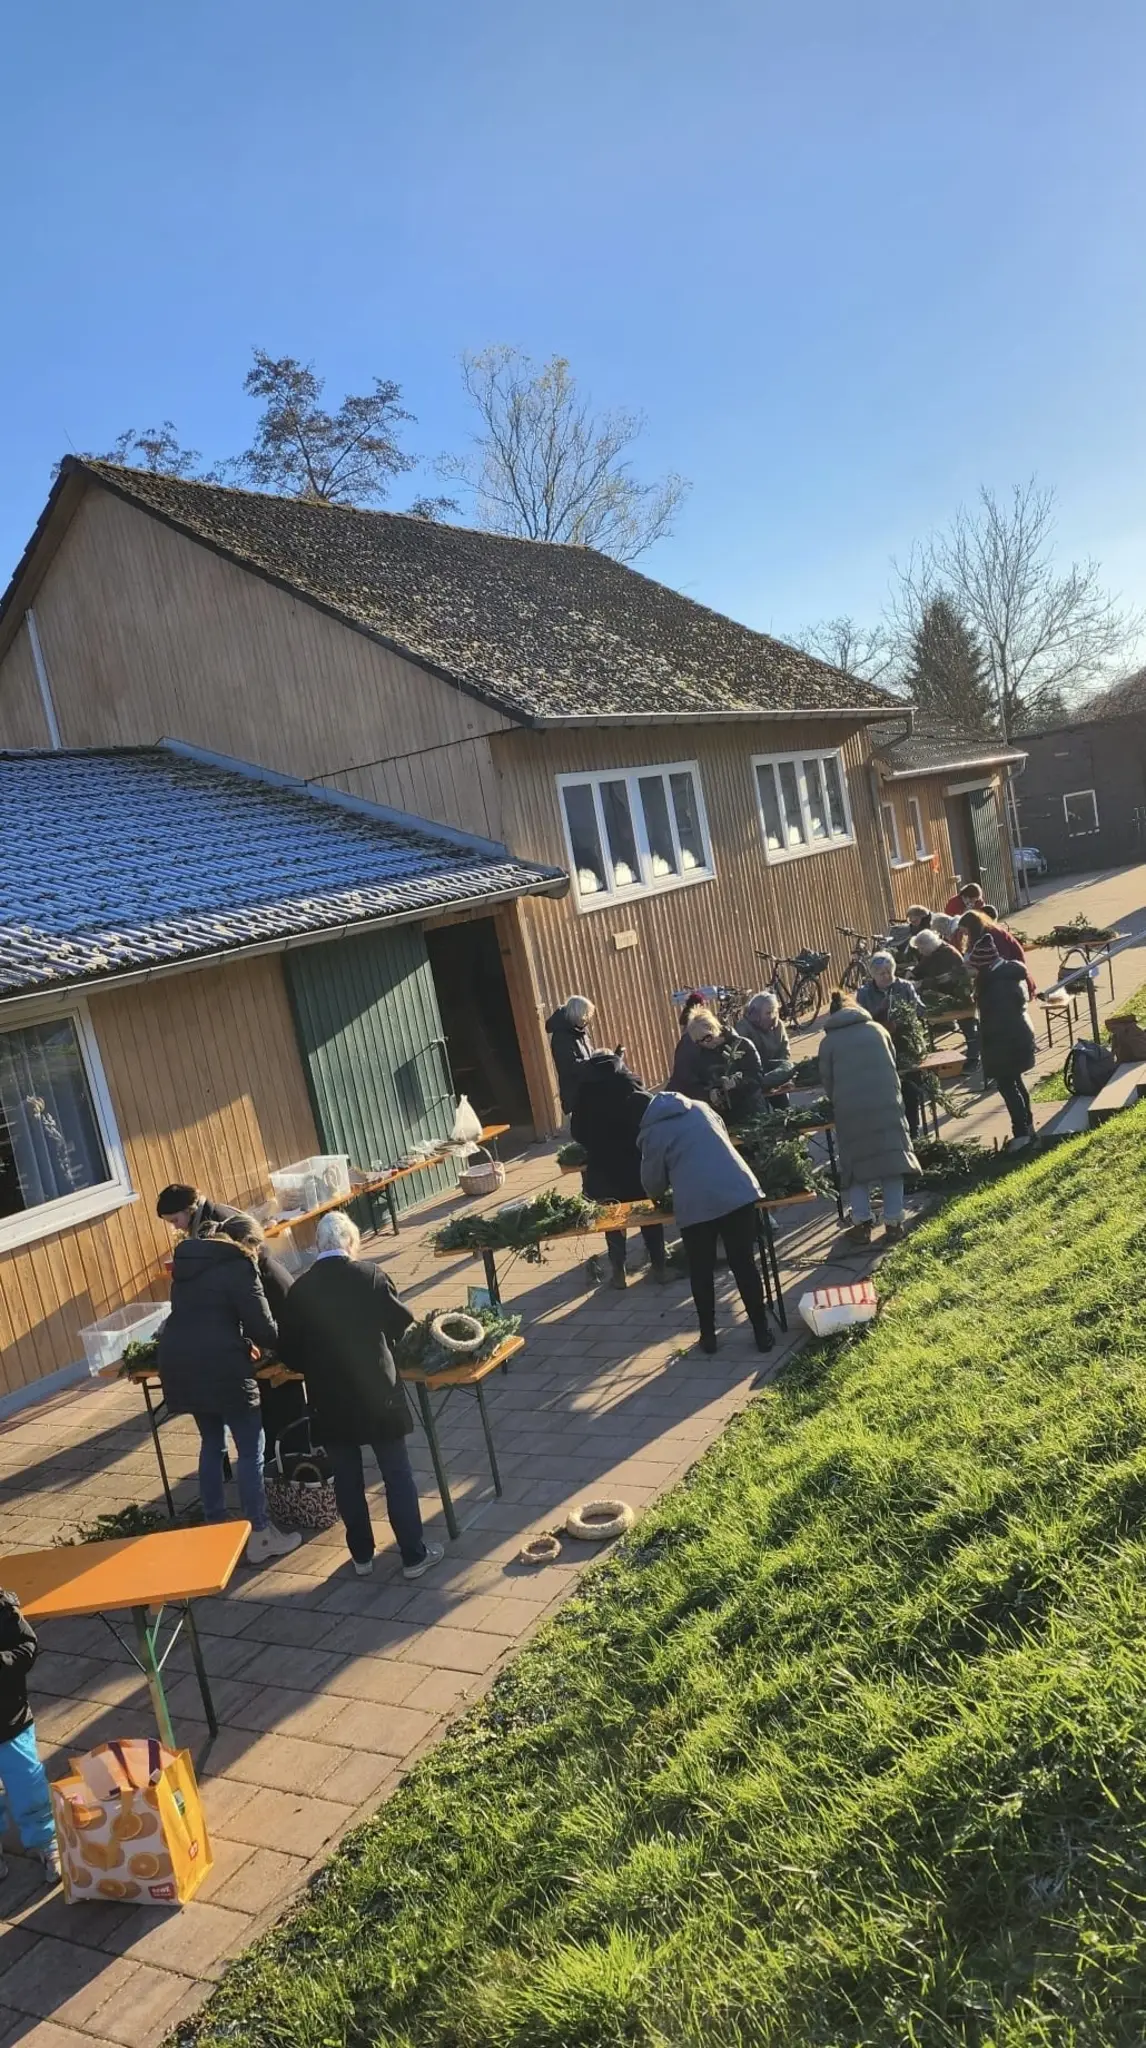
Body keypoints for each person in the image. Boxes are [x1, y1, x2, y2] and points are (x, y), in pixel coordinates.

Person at [276, 1211, 444, 1581]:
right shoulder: (370, 1276)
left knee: (348, 1480)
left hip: (329, 1397)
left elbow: (288, 1351)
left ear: (318, 1246)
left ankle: (362, 1556)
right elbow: (401, 1322)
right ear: (350, 1242)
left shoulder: (300, 1290)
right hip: (377, 1393)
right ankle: (414, 1556)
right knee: (396, 1475)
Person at [157, 1224, 301, 1566]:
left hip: (181, 1361)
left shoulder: (190, 1264)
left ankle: (214, 1527)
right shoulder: (240, 1266)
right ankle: (260, 1533)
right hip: (222, 1365)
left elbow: (203, 1317)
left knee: (212, 1443)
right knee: (251, 1449)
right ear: (248, 1244)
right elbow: (264, 1329)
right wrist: (293, 1335)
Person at [638, 1092, 772, 1355]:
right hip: (738, 1189)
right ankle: (761, 1332)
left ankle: (708, 1337)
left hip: (696, 1203)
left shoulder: (653, 1131)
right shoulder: (700, 1108)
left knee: (701, 1270)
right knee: (743, 1264)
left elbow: (652, 1185)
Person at [817, 991, 920, 1246]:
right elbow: (892, 1064)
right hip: (886, 1104)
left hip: (851, 1111)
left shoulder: (829, 1043)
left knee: (856, 1168)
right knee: (892, 1162)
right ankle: (894, 1223)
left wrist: (839, 1100)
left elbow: (827, 1082)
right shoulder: (877, 1030)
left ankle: (862, 1223)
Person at [569, 1052, 669, 1287]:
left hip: (603, 1166)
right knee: (648, 1214)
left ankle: (618, 1272)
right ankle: (660, 1268)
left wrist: (594, 1143)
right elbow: (649, 1111)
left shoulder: (585, 1089)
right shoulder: (629, 1081)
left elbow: (577, 1130)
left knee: (612, 1219)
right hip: (635, 1161)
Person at [220, 1214, 307, 1462]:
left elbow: (269, 1328)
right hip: (274, 1357)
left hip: (280, 1362)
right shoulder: (257, 1269)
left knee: (285, 1430)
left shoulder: (264, 1276)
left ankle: (288, 1477)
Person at [0, 1589, 60, 1883]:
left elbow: (27, 1646)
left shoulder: (1, 1606)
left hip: (10, 1720)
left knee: (29, 1782)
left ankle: (45, 1840)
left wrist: (2, 1661)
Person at [968, 931, 1037, 1149]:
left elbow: (996, 1021)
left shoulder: (996, 985)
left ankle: (1022, 1132)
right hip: (1016, 1038)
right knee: (1015, 1082)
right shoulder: (1007, 975)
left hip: (1005, 1042)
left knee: (1008, 1086)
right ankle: (1028, 1127)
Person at [856, 953, 929, 1140]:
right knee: (887, 1092)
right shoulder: (864, 993)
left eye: (888, 972)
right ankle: (893, 1132)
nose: (886, 976)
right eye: (881, 973)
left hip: (905, 1046)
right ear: (873, 975)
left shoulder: (904, 986)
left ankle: (914, 1130)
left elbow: (920, 1009)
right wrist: (879, 1011)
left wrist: (907, 1012)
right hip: (878, 1049)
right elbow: (859, 1020)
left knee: (910, 1089)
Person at [669, 1009, 765, 1125]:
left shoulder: (743, 1046)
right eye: (700, 1042)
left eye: (707, 1037)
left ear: (714, 1028)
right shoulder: (701, 1058)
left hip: (752, 1113)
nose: (706, 1043)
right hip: (723, 1119)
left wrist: (737, 1082)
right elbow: (692, 1087)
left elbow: (757, 1076)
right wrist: (709, 1094)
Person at [910, 928, 981, 1066]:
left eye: (920, 948)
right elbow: (922, 968)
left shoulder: (948, 954)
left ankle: (974, 1056)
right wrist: (911, 973)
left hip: (959, 996)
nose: (919, 951)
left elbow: (943, 980)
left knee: (967, 1025)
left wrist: (921, 983)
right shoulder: (932, 953)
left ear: (927, 945)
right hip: (945, 996)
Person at [736, 992, 796, 1098]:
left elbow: (784, 1051)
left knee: (788, 1067)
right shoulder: (743, 1028)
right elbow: (741, 1058)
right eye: (767, 1013)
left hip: (774, 1072)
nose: (772, 1016)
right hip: (755, 1072)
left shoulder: (778, 1026)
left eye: (774, 1012)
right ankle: (760, 1085)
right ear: (756, 1013)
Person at [546, 996, 597, 1115]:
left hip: (589, 1089)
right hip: (576, 1094)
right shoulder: (562, 1037)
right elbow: (569, 1066)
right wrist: (593, 1064)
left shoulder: (581, 1031)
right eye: (586, 1014)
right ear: (578, 1013)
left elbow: (589, 1054)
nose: (588, 1019)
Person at [958, 909, 1033, 981]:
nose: (965, 934)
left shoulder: (994, 934)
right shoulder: (980, 935)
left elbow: (1002, 958)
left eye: (965, 931)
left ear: (972, 927)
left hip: (1012, 974)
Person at [156, 1183, 240, 1238]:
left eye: (175, 1220)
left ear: (188, 1209)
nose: (176, 1227)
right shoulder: (214, 1211)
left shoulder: (210, 1226)